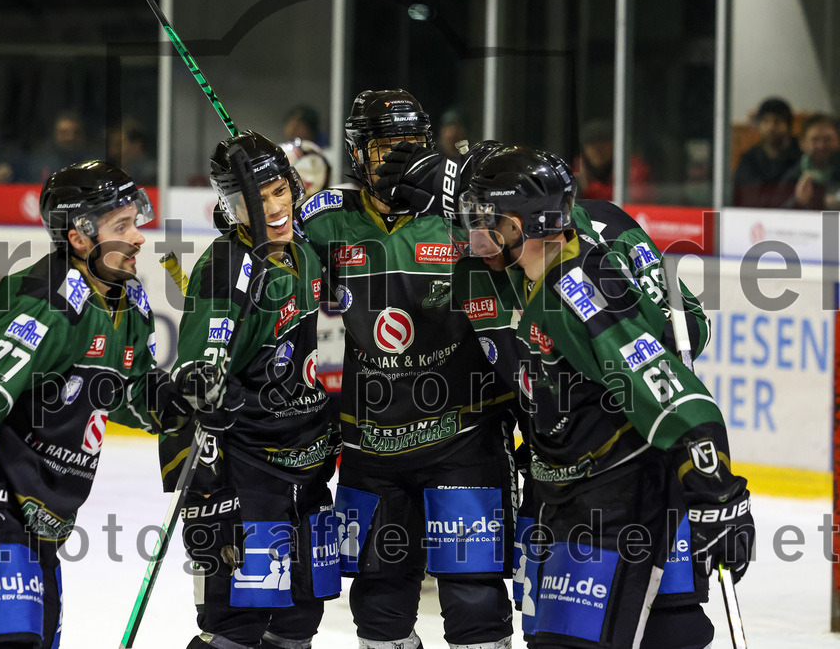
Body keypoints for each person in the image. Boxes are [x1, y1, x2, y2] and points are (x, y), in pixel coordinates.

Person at [374, 140, 715, 646]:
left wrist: (634, 329)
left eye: (478, 221)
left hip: (633, 466)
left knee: (673, 625)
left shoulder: (606, 230)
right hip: (551, 473)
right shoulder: (470, 268)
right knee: (552, 632)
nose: (467, 240)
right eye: (459, 222)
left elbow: (689, 333)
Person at [450, 146, 754, 648]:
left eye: (488, 222)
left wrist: (717, 491)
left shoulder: (574, 291)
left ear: (527, 224)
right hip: (579, 494)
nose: (474, 236)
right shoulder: (540, 279)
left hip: (617, 497)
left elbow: (675, 397)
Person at [0, 161, 186, 648]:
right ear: (81, 237)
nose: (138, 238)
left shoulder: (126, 302)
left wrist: (177, 402)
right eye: (122, 226)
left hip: (43, 518)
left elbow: (128, 389)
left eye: (136, 222)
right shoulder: (48, 305)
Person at [299, 90, 517, 649]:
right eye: (382, 150)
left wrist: (462, 184)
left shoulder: (464, 218)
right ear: (355, 155)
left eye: (410, 148)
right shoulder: (328, 222)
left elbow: (540, 215)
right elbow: (266, 265)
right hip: (373, 450)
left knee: (475, 604)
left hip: (462, 439)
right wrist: (255, 204)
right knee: (378, 609)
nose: (397, 161)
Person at [170, 131, 339, 649]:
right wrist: (205, 383)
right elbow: (199, 366)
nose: (273, 209)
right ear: (232, 209)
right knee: (238, 626)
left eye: (279, 191)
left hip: (309, 473)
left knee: (298, 623)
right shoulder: (226, 268)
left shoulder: (307, 254)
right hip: (247, 478)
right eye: (253, 200)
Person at [733, 96, 803, 207]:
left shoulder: (801, 158)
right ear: (759, 125)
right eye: (766, 121)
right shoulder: (749, 159)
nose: (771, 127)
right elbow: (745, 198)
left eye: (778, 121)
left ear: (788, 126)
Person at [574, 118, 654, 203]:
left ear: (614, 144)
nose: (597, 149)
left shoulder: (632, 165)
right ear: (584, 148)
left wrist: (590, 189)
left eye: (603, 143)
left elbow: (637, 198)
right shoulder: (577, 167)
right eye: (591, 144)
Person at [781, 113, 840, 210]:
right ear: (802, 143)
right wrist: (798, 201)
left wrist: (835, 207)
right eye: (815, 140)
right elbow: (780, 216)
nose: (821, 146)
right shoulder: (792, 176)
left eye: (828, 139)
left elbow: (831, 224)